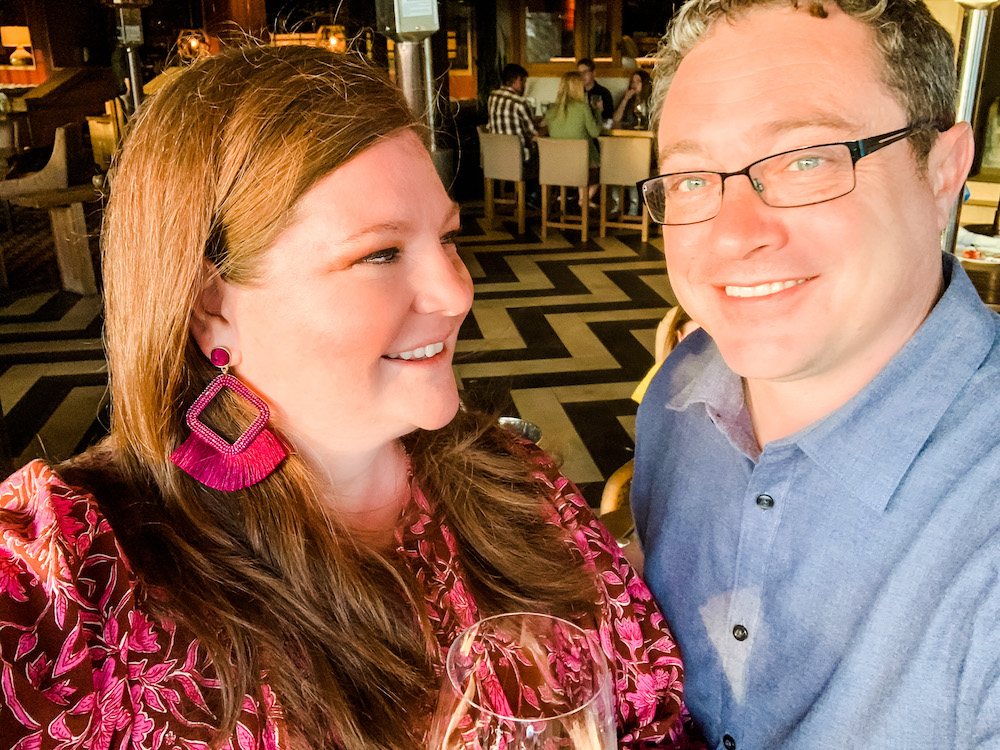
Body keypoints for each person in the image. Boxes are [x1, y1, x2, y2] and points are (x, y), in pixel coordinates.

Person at [0, 45, 701, 749]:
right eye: (379, 255)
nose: (458, 293)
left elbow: (654, 716)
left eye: (448, 239)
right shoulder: (77, 571)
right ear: (210, 302)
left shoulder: (520, 480)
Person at [632, 0, 996, 747]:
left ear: (943, 171)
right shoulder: (679, 387)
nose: (733, 236)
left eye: (806, 160)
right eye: (692, 179)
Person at [543, 70, 602, 205]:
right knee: (601, 169)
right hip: (580, 167)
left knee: (583, 152)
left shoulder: (551, 109)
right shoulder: (582, 108)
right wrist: (598, 111)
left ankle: (581, 199)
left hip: (556, 167)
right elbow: (595, 133)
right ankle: (584, 199)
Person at [487, 62, 538, 166]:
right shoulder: (520, 102)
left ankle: (503, 182)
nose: (524, 86)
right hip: (518, 157)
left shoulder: (492, 96)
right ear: (517, 79)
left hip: (496, 154)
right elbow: (532, 134)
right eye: (523, 81)